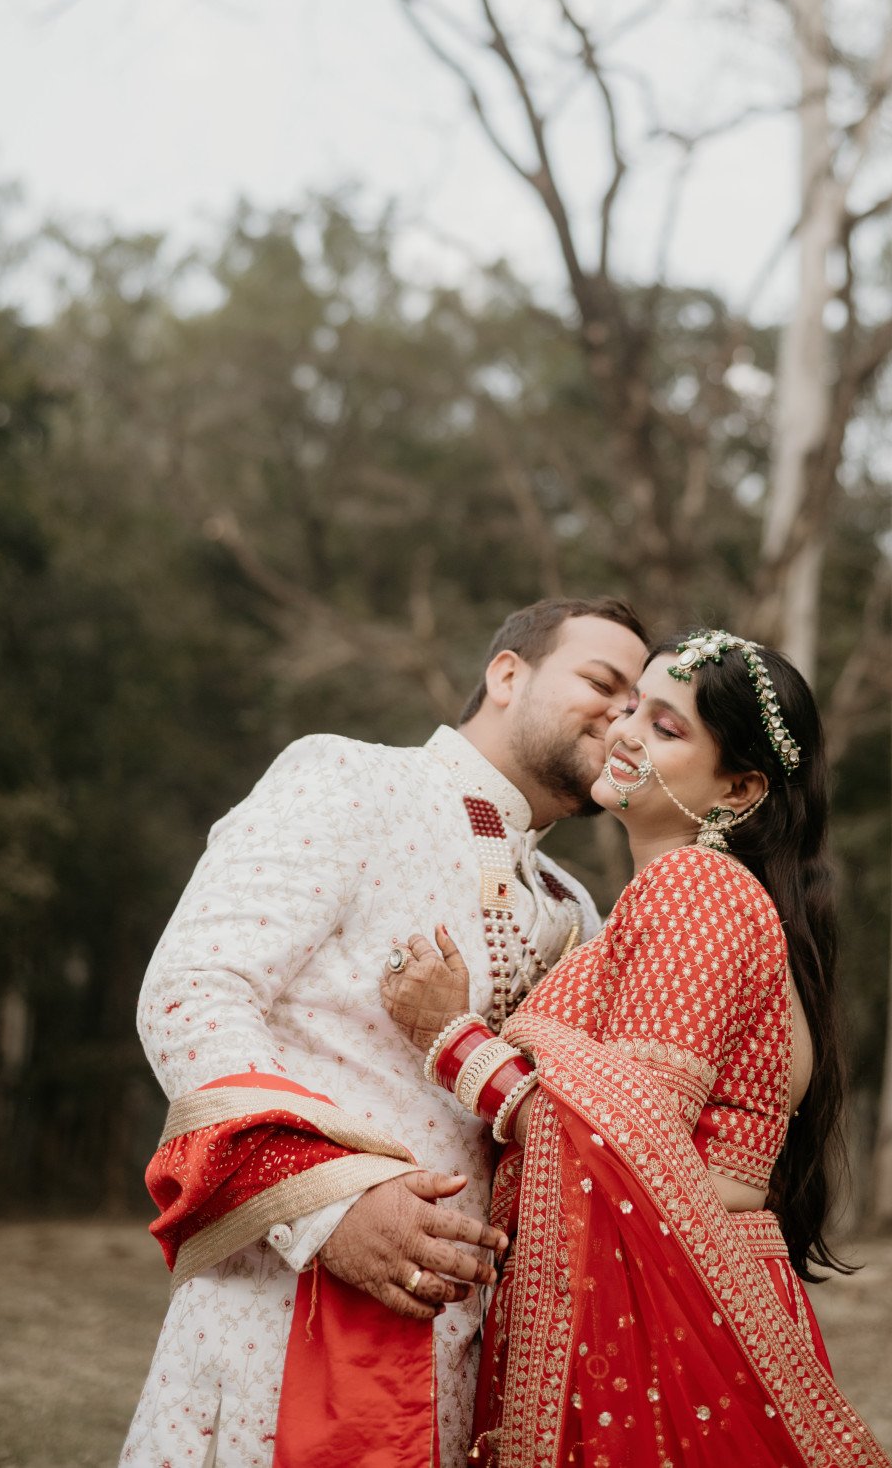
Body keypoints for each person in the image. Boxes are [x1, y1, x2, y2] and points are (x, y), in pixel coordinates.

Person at [120, 596, 649, 1468]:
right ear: (506, 674)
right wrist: (329, 1204)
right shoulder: (352, 779)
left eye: (639, 705)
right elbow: (193, 992)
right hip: (289, 1324)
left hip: (471, 1368)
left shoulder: (573, 905)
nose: (623, 717)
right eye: (603, 682)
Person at [383, 628, 892, 1468]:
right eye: (630, 708)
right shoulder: (681, 903)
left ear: (740, 787)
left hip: (665, 1311)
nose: (623, 733)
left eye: (665, 726)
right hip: (671, 1294)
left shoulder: (693, 887)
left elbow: (626, 1137)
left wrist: (451, 1039)